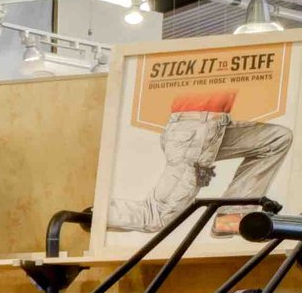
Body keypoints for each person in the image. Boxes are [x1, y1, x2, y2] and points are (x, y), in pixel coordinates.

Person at [108, 78, 294, 242]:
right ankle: (100, 213)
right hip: (194, 130)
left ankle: (229, 218)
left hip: (215, 125)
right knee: (156, 216)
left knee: (277, 139)